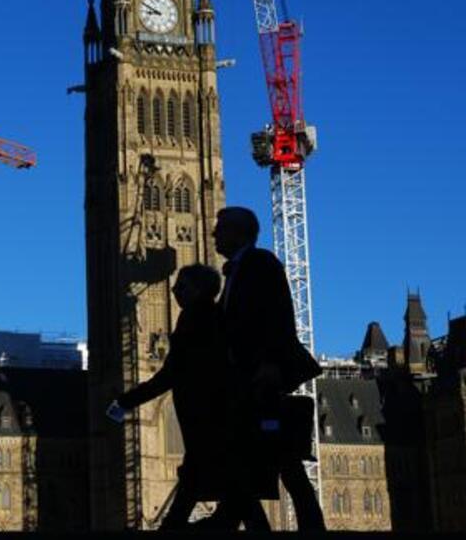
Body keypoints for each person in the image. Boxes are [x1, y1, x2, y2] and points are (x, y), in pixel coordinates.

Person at [210, 206, 326, 532]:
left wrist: (271, 364)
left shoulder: (261, 263)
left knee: (279, 456)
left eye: (220, 228)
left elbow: (276, 316)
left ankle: (308, 525)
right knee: (252, 454)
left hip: (262, 377)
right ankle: (236, 519)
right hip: (246, 379)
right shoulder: (237, 271)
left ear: (238, 232)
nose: (214, 234)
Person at [106, 264, 230, 530]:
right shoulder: (216, 316)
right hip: (217, 419)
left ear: (197, 290)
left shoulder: (195, 320)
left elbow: (170, 375)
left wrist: (127, 401)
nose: (173, 290)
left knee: (204, 485)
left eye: (181, 286)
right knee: (227, 489)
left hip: (206, 418)